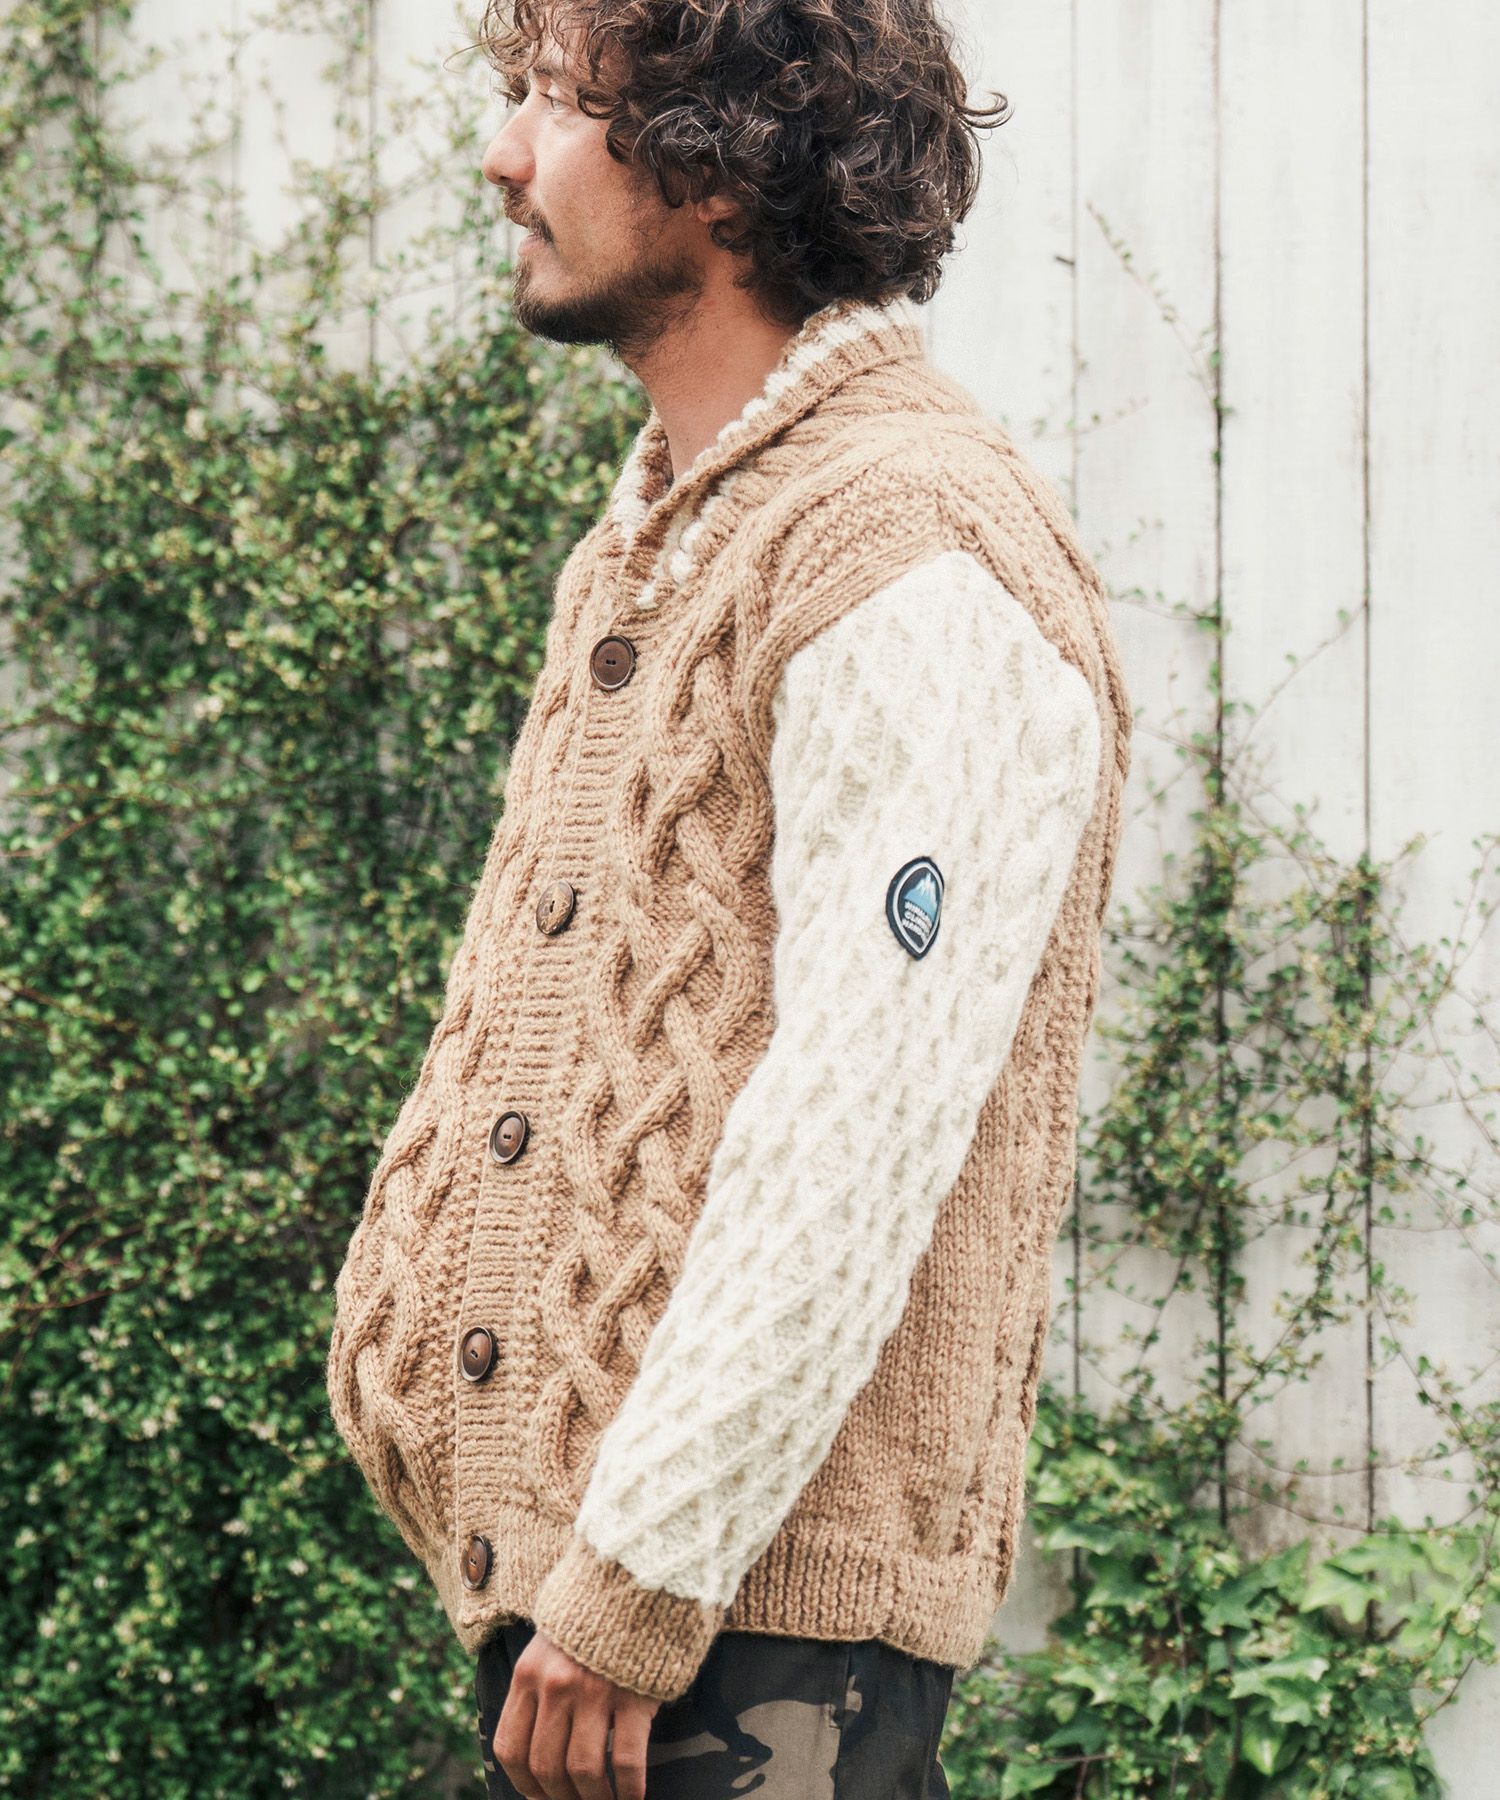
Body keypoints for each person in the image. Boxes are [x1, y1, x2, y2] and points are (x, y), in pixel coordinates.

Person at [325, 3, 1133, 1796]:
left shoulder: (909, 554)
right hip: (619, 1618)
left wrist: (639, 1581)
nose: (503, 157)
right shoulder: (664, 536)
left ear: (724, 159)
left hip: (744, 1641)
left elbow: (861, 1128)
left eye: (557, 103)